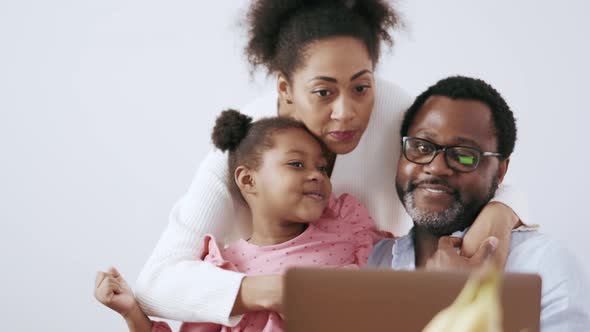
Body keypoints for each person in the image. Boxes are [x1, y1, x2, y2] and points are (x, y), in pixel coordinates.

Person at [135, 0, 527, 325]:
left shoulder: (395, 112)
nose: (347, 112)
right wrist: (281, 290)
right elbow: (155, 282)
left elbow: (483, 170)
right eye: (323, 92)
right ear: (285, 89)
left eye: (361, 87)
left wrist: (500, 214)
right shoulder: (247, 142)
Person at [95, 110, 391, 331]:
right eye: (296, 164)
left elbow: (401, 274)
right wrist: (132, 312)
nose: (316, 175)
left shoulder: (346, 227)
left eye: (323, 168)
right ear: (248, 180)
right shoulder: (224, 271)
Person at [368, 76, 590, 331]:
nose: (436, 167)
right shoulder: (371, 259)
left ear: (500, 172)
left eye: (463, 155)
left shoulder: (544, 266)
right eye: (421, 146)